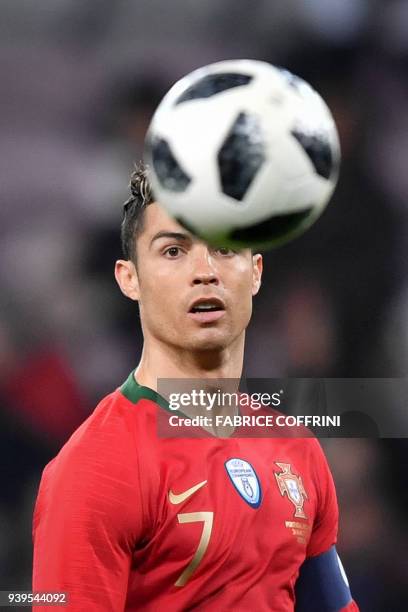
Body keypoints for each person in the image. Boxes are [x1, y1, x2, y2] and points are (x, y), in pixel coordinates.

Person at [32, 164, 359, 611]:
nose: (205, 271)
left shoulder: (297, 450)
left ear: (256, 271)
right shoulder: (96, 468)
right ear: (129, 279)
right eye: (173, 251)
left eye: (225, 248)